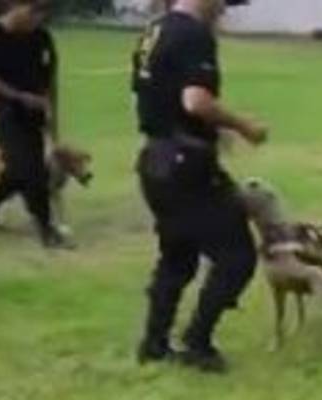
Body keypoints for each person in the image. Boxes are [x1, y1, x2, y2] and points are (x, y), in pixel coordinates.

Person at [132, 0, 266, 372]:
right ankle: (197, 342)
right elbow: (196, 100)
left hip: (155, 159)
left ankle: (154, 343)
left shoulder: (154, 31)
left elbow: (158, 97)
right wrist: (243, 126)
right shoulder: (193, 34)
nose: (224, 8)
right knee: (237, 256)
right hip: (185, 166)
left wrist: (209, 133)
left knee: (177, 256)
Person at [0, 0, 68, 248]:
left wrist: (53, 123)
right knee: (31, 170)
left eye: (42, 14)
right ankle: (46, 228)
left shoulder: (41, 38)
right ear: (15, 7)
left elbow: (50, 82)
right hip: (4, 112)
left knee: (20, 172)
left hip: (34, 115)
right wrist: (19, 96)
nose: (37, 19)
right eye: (33, 12)